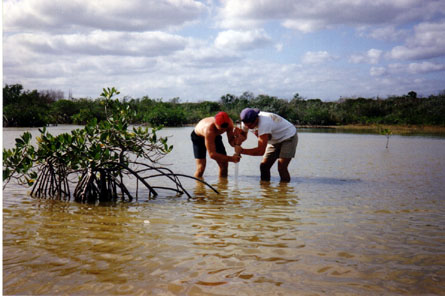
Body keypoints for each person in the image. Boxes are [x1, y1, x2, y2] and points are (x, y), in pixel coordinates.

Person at [234, 108, 298, 182]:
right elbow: (244, 136)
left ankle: (284, 191)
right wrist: (238, 139)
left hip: (288, 136)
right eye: (246, 125)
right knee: (264, 166)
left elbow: (260, 151)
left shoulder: (264, 123)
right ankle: (265, 191)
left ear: (256, 119)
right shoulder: (245, 122)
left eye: (250, 126)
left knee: (281, 167)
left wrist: (242, 151)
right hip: (274, 140)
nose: (248, 127)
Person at [191, 111, 241, 178]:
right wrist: (232, 159)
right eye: (221, 128)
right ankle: (198, 186)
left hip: (215, 136)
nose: (223, 130)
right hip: (198, 137)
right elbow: (212, 154)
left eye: (225, 128)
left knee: (224, 164)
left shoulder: (229, 123)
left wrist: (237, 141)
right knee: (201, 167)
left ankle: (222, 186)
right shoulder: (209, 129)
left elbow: (231, 142)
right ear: (215, 123)